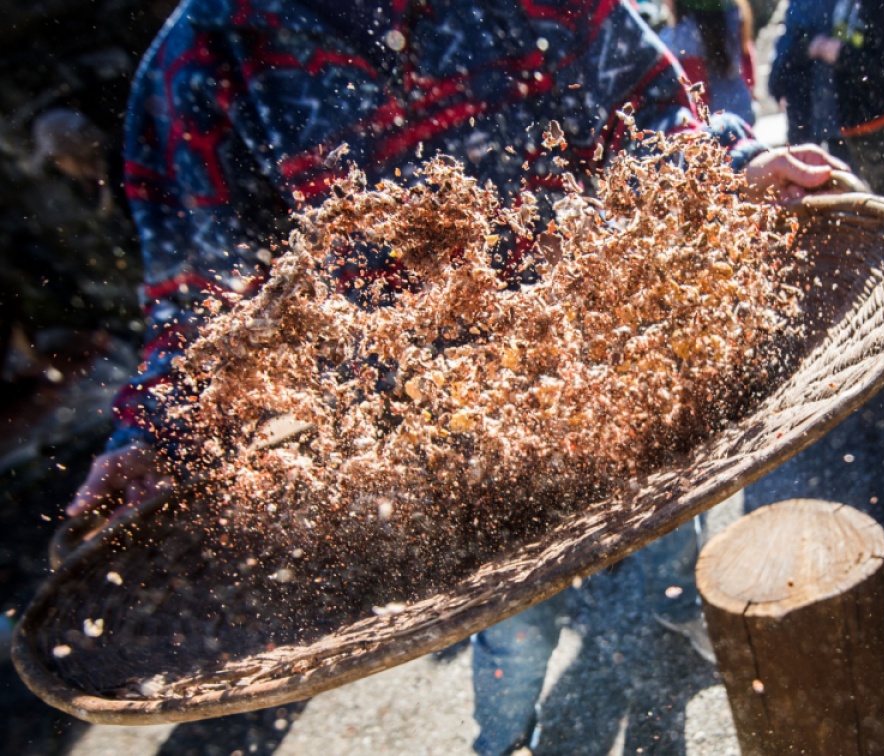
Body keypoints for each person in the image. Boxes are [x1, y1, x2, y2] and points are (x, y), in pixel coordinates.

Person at [65, 1, 843, 752]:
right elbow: (204, 301)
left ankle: (670, 634)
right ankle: (504, 740)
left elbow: (645, 110)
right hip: (442, 443)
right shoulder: (203, 61)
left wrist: (735, 166)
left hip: (608, 365)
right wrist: (156, 430)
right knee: (515, 622)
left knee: (666, 538)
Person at [805, 0, 884, 202]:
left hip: (880, 120)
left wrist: (839, 52)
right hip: (854, 122)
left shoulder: (883, 5)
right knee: (874, 201)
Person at [769, 0, 847, 160]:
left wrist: (776, 84)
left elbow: (786, 49)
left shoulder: (802, 5)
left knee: (807, 164)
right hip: (825, 105)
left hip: (816, 104)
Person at [661, 0, 758, 125]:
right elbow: (746, 55)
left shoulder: (684, 33)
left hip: (714, 118)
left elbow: (697, 89)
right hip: (742, 106)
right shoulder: (734, 12)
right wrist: (751, 90)